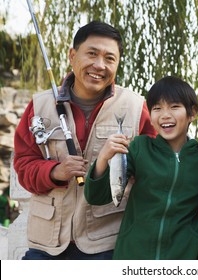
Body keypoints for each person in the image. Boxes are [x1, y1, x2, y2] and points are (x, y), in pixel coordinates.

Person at [13, 21, 157, 260]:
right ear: (72, 55)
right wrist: (55, 172)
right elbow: (24, 165)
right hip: (45, 244)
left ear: (118, 63)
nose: (99, 65)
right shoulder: (40, 105)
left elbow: (153, 168)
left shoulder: (136, 106)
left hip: (106, 244)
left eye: (109, 58)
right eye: (91, 54)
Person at [84, 75, 198, 259]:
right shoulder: (139, 148)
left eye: (174, 107)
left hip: (182, 255)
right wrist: (103, 158)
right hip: (132, 254)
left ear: (192, 113)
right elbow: (97, 196)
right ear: (150, 117)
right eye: (157, 108)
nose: (165, 114)